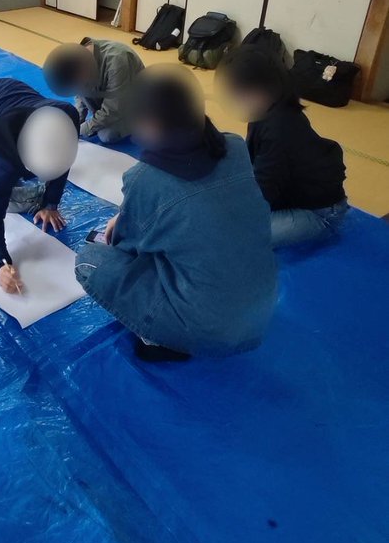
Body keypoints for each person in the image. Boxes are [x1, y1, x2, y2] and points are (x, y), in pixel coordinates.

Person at [75, 66, 276, 361]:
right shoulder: (234, 145)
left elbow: (126, 248)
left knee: (89, 261)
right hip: (260, 313)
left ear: (151, 125)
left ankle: (160, 338)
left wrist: (128, 219)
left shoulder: (146, 179)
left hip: (208, 330)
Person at [0, 78, 80, 295]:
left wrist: (50, 204)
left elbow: (64, 159)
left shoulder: (65, 120)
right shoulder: (4, 158)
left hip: (13, 93)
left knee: (22, 188)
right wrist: (0, 264)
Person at [217, 47, 348, 248]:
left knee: (234, 234)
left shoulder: (280, 127)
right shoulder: (265, 111)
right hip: (288, 196)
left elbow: (265, 192)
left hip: (320, 214)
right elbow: (255, 166)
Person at [43, 37, 144, 143]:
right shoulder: (80, 62)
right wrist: (75, 120)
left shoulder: (118, 60)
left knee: (107, 135)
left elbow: (113, 108)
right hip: (110, 100)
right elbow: (79, 92)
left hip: (133, 105)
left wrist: (81, 129)